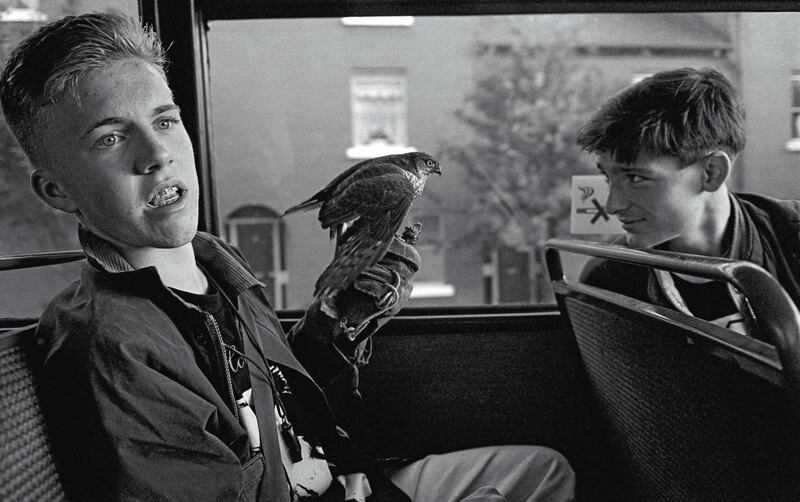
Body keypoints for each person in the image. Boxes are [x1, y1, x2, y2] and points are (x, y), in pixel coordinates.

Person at [0, 12, 575, 502]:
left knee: (544, 468)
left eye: (166, 121)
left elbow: (273, 395)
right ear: (55, 191)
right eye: (110, 138)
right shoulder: (117, 347)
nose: (158, 155)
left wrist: (333, 322)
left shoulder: (216, 267)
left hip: (352, 475)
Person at [577, 67, 800, 337]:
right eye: (606, 177)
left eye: (635, 178)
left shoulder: (792, 239)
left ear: (711, 173)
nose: (612, 205)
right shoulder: (609, 281)